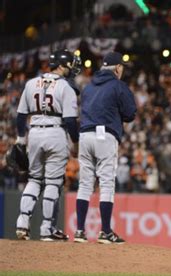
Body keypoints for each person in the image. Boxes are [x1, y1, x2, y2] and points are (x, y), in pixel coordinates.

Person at [15, 49, 81, 241]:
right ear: (61, 65)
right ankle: (47, 228)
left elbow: (20, 117)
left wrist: (21, 139)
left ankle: (22, 223)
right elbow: (70, 121)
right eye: (70, 63)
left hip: (34, 132)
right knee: (53, 182)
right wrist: (75, 143)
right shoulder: (66, 87)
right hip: (56, 132)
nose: (72, 67)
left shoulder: (31, 83)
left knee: (34, 179)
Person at [74, 52, 136, 244]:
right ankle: (106, 231)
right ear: (117, 68)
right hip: (105, 135)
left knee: (85, 184)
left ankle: (79, 231)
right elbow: (130, 113)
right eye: (122, 68)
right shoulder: (118, 85)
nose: (122, 70)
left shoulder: (88, 86)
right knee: (107, 183)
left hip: (84, 135)